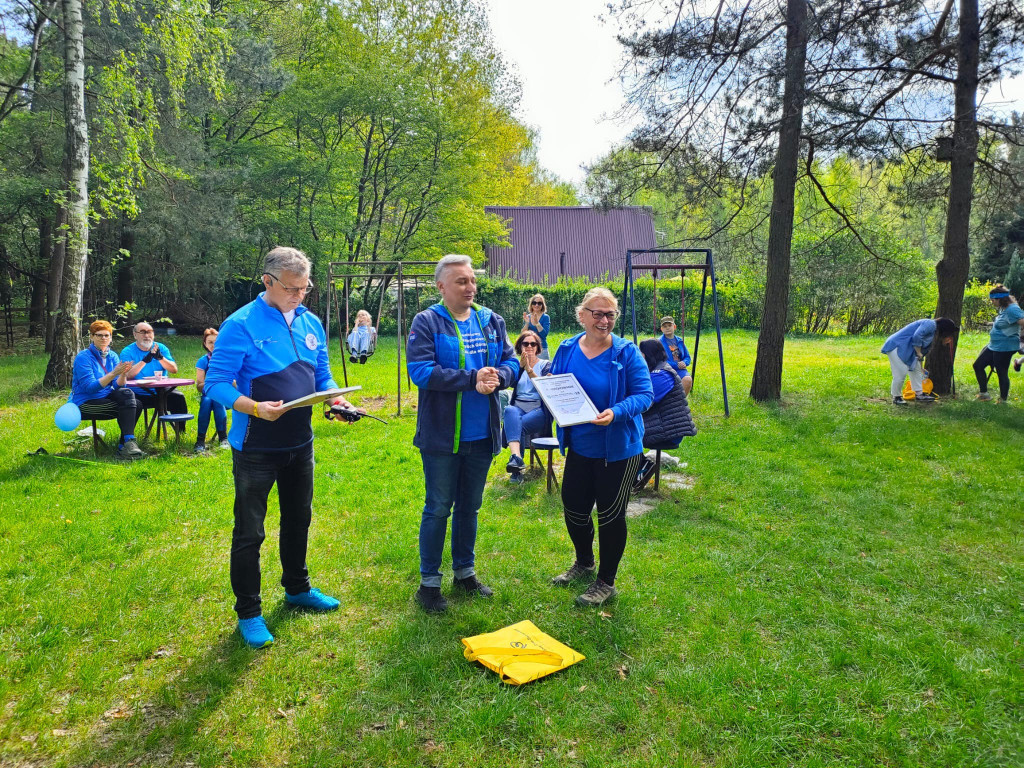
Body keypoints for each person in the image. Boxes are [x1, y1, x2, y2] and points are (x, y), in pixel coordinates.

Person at [205, 246, 361, 648]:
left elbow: (322, 375)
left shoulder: (311, 322)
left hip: (300, 443)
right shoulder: (240, 324)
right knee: (250, 532)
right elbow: (216, 384)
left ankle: (297, 588)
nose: (299, 295)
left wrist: (337, 400)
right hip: (256, 447)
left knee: (298, 519)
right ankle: (249, 612)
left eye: (305, 288)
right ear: (268, 281)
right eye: (292, 288)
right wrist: (254, 408)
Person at [407, 254, 519, 613]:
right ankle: (429, 584)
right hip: (441, 436)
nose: (470, 287)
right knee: (438, 507)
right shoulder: (427, 322)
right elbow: (420, 371)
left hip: (482, 434)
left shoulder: (491, 320)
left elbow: (512, 362)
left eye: (472, 280)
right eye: (461, 281)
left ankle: (465, 573)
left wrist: (499, 377)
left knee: (470, 507)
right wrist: (472, 379)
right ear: (441, 287)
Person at [549, 287, 653, 607]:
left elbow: (645, 395)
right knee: (574, 508)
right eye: (597, 314)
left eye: (610, 314)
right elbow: (557, 385)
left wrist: (616, 412)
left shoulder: (626, 353)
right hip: (580, 445)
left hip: (618, 450)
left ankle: (606, 582)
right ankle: (584, 562)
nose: (604, 320)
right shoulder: (567, 348)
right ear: (582, 315)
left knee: (610, 515)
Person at [69, 320, 145, 459]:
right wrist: (113, 373)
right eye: (99, 335)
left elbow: (118, 386)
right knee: (129, 407)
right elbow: (90, 388)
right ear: (91, 337)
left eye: (107, 335)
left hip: (105, 396)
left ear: (111, 338)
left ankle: (125, 444)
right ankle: (127, 445)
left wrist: (123, 374)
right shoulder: (83, 357)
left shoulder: (112, 355)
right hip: (85, 402)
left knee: (133, 399)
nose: (103, 338)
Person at [632, 339, 698, 491]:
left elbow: (645, 402)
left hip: (668, 430)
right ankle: (633, 469)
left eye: (642, 354)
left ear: (649, 355)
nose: (639, 357)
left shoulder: (661, 375)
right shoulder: (658, 370)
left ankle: (641, 467)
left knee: (623, 431)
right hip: (660, 424)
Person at [119, 321, 189, 430]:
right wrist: (144, 361)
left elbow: (174, 369)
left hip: (161, 392)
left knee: (178, 398)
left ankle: (180, 432)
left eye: (150, 332)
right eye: (143, 332)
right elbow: (127, 375)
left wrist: (161, 358)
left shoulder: (161, 348)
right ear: (135, 335)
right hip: (138, 392)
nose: (147, 335)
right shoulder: (127, 351)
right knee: (132, 403)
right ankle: (128, 436)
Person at [503, 330, 553, 480]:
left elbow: (544, 388)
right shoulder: (516, 366)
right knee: (509, 410)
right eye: (525, 344)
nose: (529, 346)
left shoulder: (546, 365)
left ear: (538, 347)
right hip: (519, 407)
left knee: (518, 425)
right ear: (520, 346)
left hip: (539, 409)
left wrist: (529, 370)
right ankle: (517, 459)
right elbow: (510, 384)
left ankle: (516, 472)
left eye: (533, 344)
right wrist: (520, 368)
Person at [881, 317, 957, 405]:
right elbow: (917, 336)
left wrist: (921, 367)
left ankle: (919, 394)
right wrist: (918, 352)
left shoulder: (933, 333)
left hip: (908, 349)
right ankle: (896, 397)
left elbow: (921, 353)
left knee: (917, 370)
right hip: (897, 345)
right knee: (901, 372)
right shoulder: (930, 324)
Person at [973, 285, 1024, 401]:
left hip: (1005, 347)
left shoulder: (1012, 309)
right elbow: (1006, 322)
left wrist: (1021, 338)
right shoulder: (1003, 308)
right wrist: (990, 324)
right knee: (978, 365)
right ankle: (984, 394)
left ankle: (1002, 399)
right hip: (995, 345)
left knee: (1001, 372)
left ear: (1000, 299)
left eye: (993, 300)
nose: (992, 302)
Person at [193, 327, 229, 453]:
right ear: (205, 344)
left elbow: (235, 384)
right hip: (208, 394)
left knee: (217, 398)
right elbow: (199, 386)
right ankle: (201, 440)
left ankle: (222, 438)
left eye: (216, 342)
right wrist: (213, 384)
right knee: (209, 399)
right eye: (210, 342)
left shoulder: (228, 360)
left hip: (227, 395)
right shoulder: (203, 361)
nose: (214, 345)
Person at [658, 316, 693, 395]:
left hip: (680, 368)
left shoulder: (680, 341)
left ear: (674, 327)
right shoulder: (659, 342)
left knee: (687, 380)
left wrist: (684, 362)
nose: (667, 328)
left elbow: (687, 357)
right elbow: (660, 360)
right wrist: (676, 365)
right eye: (665, 326)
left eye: (669, 325)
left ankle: (681, 400)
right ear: (661, 329)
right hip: (665, 369)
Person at [522, 293, 551, 359]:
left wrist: (537, 323)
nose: (536, 305)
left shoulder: (545, 317)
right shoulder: (528, 317)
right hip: (529, 348)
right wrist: (527, 323)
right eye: (534, 303)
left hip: (541, 349)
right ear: (531, 305)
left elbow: (544, 335)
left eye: (539, 303)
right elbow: (523, 334)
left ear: (542, 305)